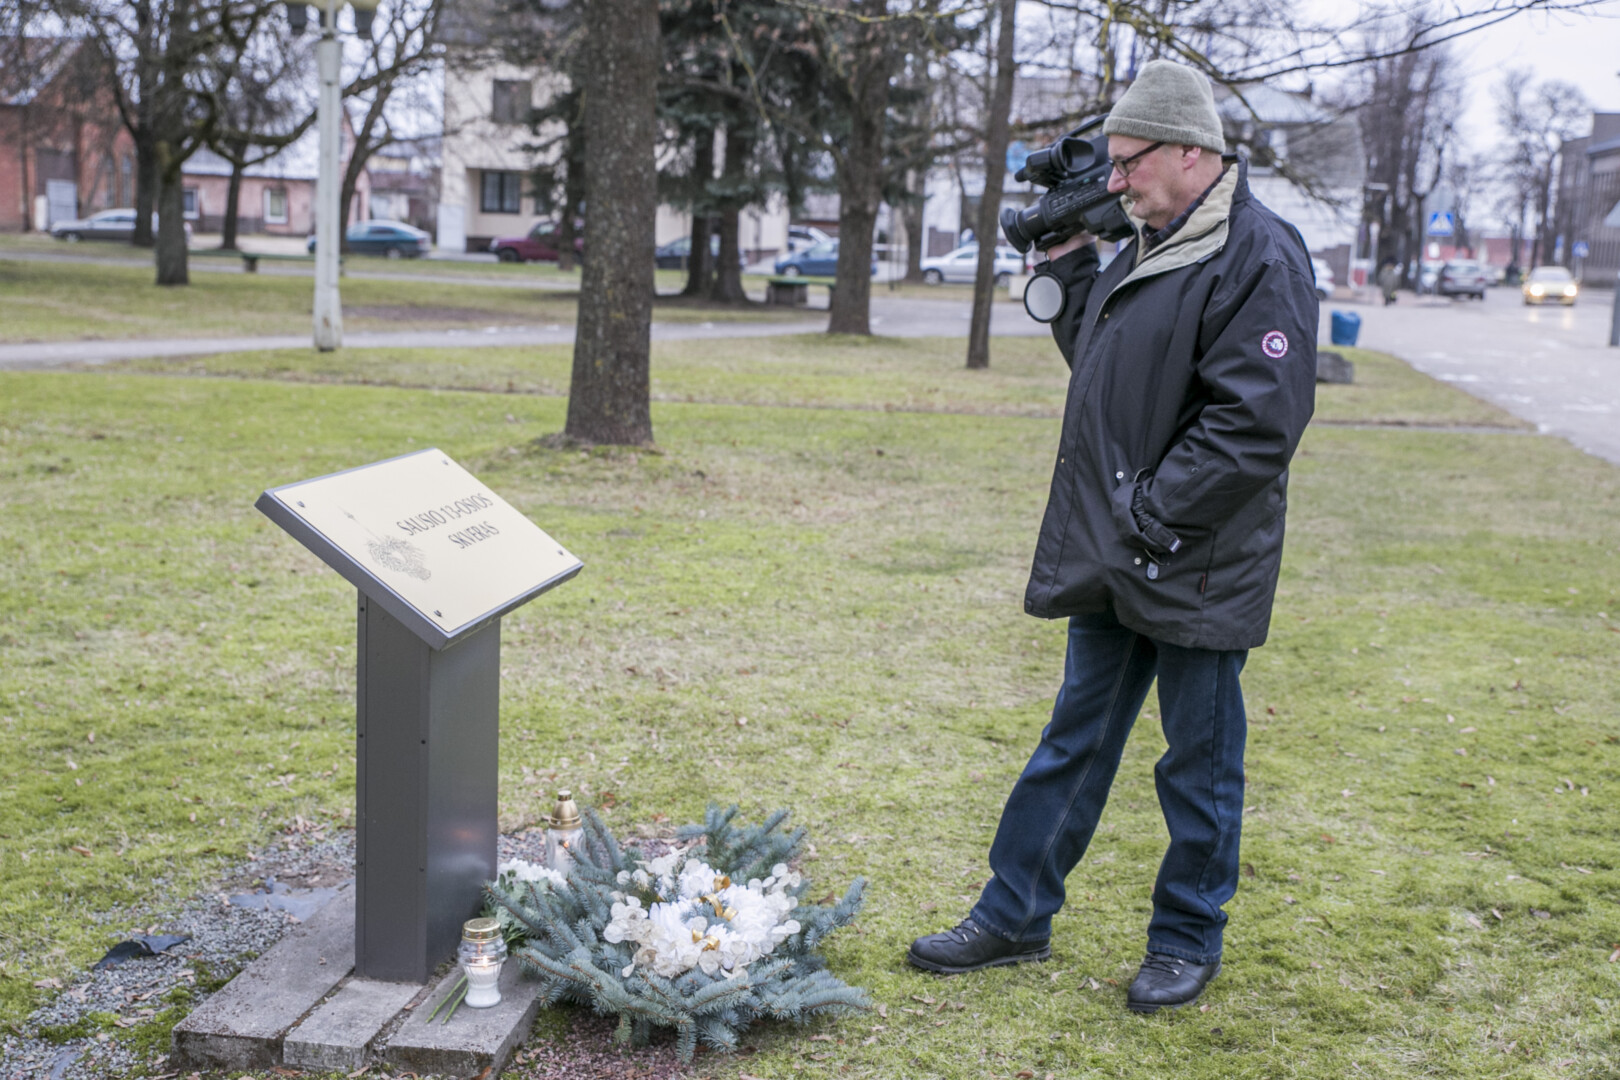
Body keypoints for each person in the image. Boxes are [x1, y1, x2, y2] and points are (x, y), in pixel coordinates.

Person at [907, 59, 1318, 1014]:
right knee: (1073, 739)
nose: (1117, 179)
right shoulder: (1147, 240)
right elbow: (1104, 362)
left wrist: (1152, 512)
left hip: (1198, 560)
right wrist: (1068, 271)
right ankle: (1013, 915)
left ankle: (1185, 938)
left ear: (1190, 151)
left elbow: (1256, 422)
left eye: (1130, 162)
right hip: (1121, 547)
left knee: (1197, 762)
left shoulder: (1260, 252)